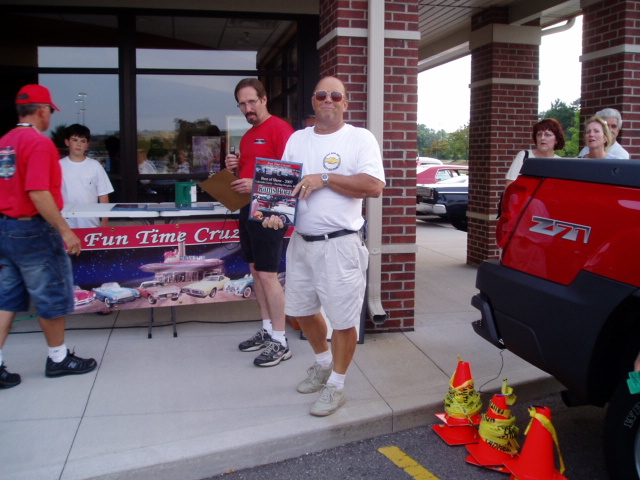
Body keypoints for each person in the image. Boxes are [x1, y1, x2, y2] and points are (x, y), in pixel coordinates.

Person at [263, 76, 385, 416]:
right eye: (321, 94)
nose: (328, 99)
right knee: (300, 309)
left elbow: (374, 186)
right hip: (300, 242)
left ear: (345, 104)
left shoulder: (360, 138)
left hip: (340, 245)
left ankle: (337, 386)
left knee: (344, 319)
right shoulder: (298, 140)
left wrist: (325, 178)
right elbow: (282, 185)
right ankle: (322, 363)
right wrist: (276, 213)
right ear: (314, 102)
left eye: (335, 95)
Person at [0, 84, 97, 389]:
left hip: (6, 228)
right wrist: (66, 231)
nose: (50, 117)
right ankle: (58, 359)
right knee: (52, 295)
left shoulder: (5, 142)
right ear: (42, 110)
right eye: (51, 111)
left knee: (6, 300)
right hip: (33, 229)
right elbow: (39, 192)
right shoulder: (38, 144)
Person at [225, 78, 295, 368]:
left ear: (264, 99)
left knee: (268, 274)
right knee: (256, 271)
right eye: (242, 104)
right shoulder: (248, 134)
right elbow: (249, 173)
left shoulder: (281, 129)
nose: (247, 108)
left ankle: (281, 340)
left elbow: (294, 176)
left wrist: (253, 181)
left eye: (252, 101)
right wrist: (235, 168)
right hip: (248, 210)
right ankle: (267, 330)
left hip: (271, 212)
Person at [60, 123, 114, 228]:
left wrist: (105, 221)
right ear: (67, 142)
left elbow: (103, 195)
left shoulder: (95, 166)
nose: (78, 144)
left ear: (87, 144)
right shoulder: (58, 166)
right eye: (75, 140)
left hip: (90, 223)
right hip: (66, 224)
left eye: (83, 141)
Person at [505, 118, 565, 187]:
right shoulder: (524, 156)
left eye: (547, 134)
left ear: (557, 139)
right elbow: (509, 186)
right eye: (539, 134)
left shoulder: (560, 163)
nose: (542, 138)